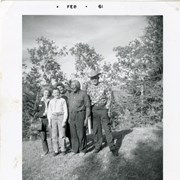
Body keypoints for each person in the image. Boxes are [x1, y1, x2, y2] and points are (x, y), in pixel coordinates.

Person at [85, 70, 118, 156]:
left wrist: (107, 108)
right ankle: (98, 146)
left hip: (103, 109)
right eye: (92, 78)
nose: (94, 79)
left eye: (95, 77)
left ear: (98, 77)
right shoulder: (88, 87)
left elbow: (109, 97)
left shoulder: (104, 85)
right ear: (90, 79)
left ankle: (112, 147)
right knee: (96, 130)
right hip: (94, 110)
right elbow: (87, 100)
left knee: (107, 129)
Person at [68, 80, 91, 156]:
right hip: (72, 116)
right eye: (72, 85)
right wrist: (68, 117)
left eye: (75, 85)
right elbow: (69, 106)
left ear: (78, 85)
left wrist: (86, 118)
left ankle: (83, 150)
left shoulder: (83, 93)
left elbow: (88, 106)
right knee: (73, 134)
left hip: (80, 115)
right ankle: (75, 149)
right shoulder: (70, 94)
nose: (73, 87)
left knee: (81, 133)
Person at [47, 88, 68, 156]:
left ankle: (63, 149)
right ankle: (56, 150)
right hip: (53, 117)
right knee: (54, 135)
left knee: (62, 134)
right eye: (55, 93)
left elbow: (65, 111)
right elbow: (49, 112)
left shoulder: (62, 100)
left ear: (59, 93)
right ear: (53, 94)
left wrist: (64, 120)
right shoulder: (51, 101)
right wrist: (49, 122)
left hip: (61, 116)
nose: (56, 94)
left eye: (57, 92)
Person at [33, 88, 51, 157]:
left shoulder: (51, 100)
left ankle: (56, 150)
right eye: (45, 92)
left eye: (47, 92)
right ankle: (45, 151)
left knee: (53, 135)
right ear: (43, 93)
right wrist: (40, 116)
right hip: (41, 120)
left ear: (49, 93)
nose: (46, 94)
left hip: (49, 119)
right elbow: (35, 111)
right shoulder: (38, 101)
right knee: (43, 137)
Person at [57, 82, 71, 150]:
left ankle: (72, 144)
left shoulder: (68, 93)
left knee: (70, 130)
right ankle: (63, 146)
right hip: (61, 115)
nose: (60, 89)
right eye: (58, 88)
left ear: (63, 87)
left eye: (61, 87)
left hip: (69, 114)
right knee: (62, 131)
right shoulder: (57, 96)